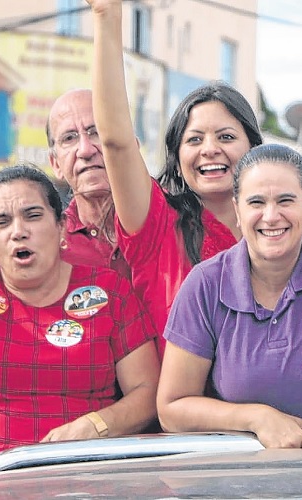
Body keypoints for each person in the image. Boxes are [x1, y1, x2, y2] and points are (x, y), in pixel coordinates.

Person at [157, 107, 302, 449]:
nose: (271, 216)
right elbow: (172, 409)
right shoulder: (206, 284)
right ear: (237, 208)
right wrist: (256, 417)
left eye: (286, 200)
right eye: (256, 202)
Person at [87, 0, 263, 341]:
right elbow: (116, 142)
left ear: (254, 149)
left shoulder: (277, 229)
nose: (210, 149)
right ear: (177, 156)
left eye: (226, 136)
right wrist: (107, 17)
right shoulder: (157, 225)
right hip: (172, 396)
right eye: (194, 139)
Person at [0, 164, 160, 461]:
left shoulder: (109, 291)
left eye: (33, 216)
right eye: (1, 222)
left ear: (61, 227)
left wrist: (96, 426)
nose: (18, 232)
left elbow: (147, 391)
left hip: (84, 475)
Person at [47, 88, 130, 279]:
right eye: (69, 138)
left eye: (96, 132)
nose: (85, 150)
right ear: (55, 163)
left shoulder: (173, 221)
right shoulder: (47, 244)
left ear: (131, 145)